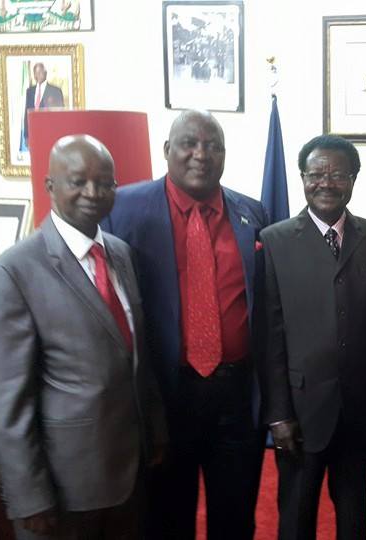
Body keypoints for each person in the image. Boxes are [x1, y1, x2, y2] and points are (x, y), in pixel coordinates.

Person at [0, 135, 166, 539]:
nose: (92, 193)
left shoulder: (121, 254)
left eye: (104, 183)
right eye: (78, 181)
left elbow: (136, 356)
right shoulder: (13, 272)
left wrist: (154, 431)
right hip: (65, 488)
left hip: (128, 471)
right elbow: (6, 402)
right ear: (51, 186)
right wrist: (28, 496)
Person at [102, 110, 268, 540]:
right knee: (166, 519)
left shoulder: (252, 212)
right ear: (167, 150)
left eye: (213, 146)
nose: (201, 155)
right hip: (165, 395)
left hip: (236, 396)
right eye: (189, 144)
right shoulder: (123, 209)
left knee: (235, 519)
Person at [261, 135, 366, 540]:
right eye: (316, 174)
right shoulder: (275, 241)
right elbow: (270, 336)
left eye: (338, 174)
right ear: (302, 177)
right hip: (300, 411)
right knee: (296, 516)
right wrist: (278, 413)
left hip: (358, 408)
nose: (326, 183)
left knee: (354, 515)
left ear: (353, 179)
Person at [23, 62, 65, 145]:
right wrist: (26, 135)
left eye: (39, 72)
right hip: (34, 134)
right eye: (35, 73)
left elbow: (61, 115)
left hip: (50, 134)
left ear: (45, 73)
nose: (37, 75)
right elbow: (26, 114)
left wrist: (59, 135)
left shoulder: (55, 91)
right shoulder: (30, 91)